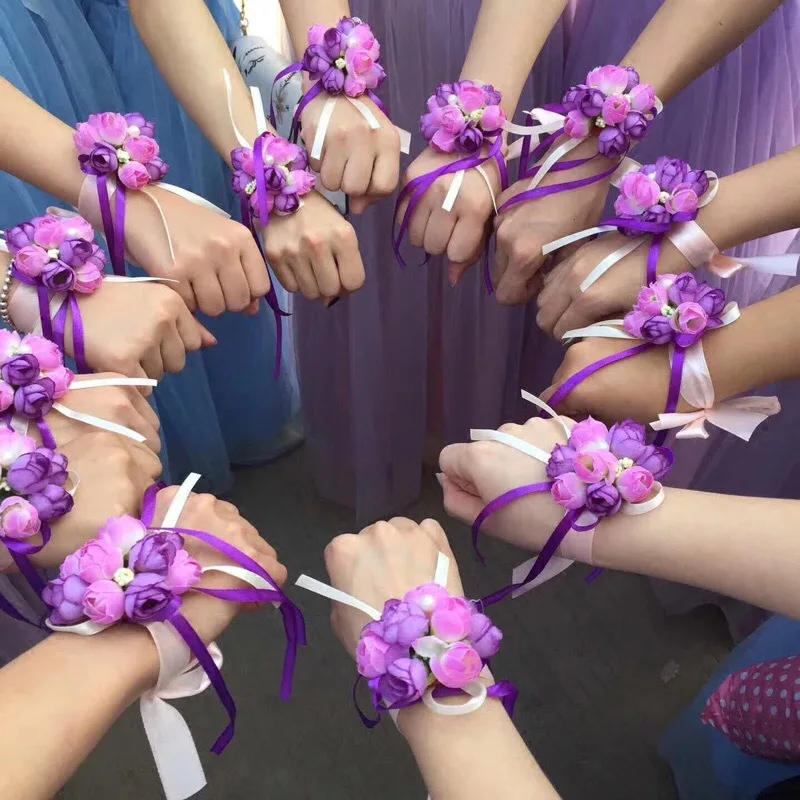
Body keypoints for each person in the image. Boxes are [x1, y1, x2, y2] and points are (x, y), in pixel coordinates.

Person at [273, 0, 799, 525]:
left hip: (719, 37)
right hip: (607, 36)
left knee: (637, 337)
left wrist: (600, 152)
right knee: (558, 272)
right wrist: (482, 126)